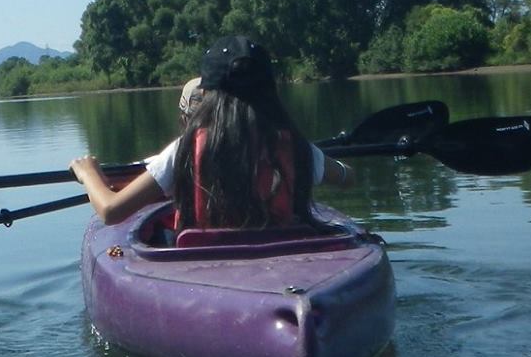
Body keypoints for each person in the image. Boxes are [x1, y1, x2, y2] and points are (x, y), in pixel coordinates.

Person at [70, 36, 353, 239]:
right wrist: (337, 168)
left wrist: (89, 174)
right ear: (270, 90)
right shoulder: (295, 145)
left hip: (206, 255)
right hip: (283, 254)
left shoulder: (185, 148)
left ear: (207, 94)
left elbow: (110, 211)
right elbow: (347, 177)